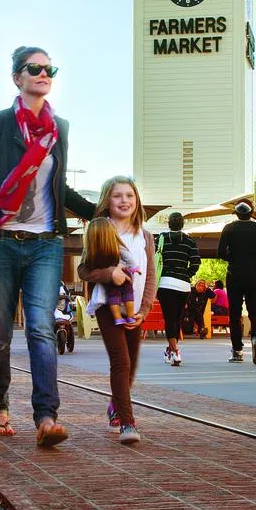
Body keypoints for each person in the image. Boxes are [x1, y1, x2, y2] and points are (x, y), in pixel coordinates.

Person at [0, 45, 96, 447]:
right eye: (35, 68)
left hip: (45, 245)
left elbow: (60, 187)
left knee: (41, 328)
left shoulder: (59, 129)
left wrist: (100, 210)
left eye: (50, 68)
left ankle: (47, 417)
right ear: (17, 77)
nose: (43, 73)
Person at [78, 176, 156, 444]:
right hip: (108, 306)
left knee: (131, 364)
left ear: (137, 201)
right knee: (120, 362)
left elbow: (150, 277)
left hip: (135, 308)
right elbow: (84, 270)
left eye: (129, 196)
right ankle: (127, 423)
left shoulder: (145, 235)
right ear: (106, 201)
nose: (124, 201)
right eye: (117, 196)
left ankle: (115, 406)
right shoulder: (100, 230)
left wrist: (144, 311)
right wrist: (110, 273)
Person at [217, 201, 256, 364]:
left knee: (234, 314)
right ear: (252, 212)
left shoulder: (229, 228)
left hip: (234, 274)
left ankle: (237, 351)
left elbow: (220, 252)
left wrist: (233, 257)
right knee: (255, 312)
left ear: (236, 213)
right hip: (255, 275)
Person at [155, 211, 200, 366]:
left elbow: (153, 258)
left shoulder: (160, 238)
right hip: (183, 285)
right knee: (177, 318)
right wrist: (185, 274)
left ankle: (174, 352)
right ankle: (170, 349)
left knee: (170, 318)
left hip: (165, 283)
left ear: (168, 224)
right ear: (182, 225)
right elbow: (196, 263)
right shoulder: (189, 241)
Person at [83, 217, 140, 326]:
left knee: (112, 295)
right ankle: (130, 316)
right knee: (128, 291)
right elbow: (130, 260)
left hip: (107, 284)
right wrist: (133, 269)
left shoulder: (91, 254)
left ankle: (117, 318)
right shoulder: (118, 247)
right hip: (123, 274)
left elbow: (85, 269)